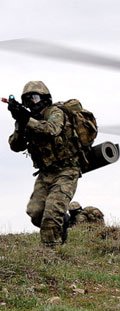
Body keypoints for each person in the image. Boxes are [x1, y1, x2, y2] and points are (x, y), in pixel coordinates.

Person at [8, 81, 81, 247]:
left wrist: (27, 119)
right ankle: (62, 223)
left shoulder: (55, 112)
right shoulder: (28, 120)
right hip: (45, 173)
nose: (30, 103)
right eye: (27, 100)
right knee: (35, 213)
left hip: (66, 170)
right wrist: (20, 123)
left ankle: (51, 254)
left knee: (52, 212)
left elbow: (51, 129)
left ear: (44, 98)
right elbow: (15, 146)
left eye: (34, 98)